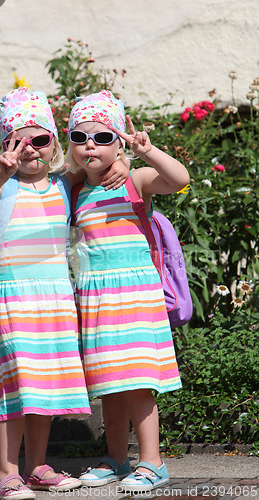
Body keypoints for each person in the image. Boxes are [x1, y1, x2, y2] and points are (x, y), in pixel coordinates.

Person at [0, 87, 129, 500]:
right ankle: (6, 472)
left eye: (39, 140)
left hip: (56, 295)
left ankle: (36, 466)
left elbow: (94, 166)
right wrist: (0, 172)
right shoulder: (3, 186)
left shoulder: (63, 183)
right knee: (15, 382)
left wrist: (123, 161)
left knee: (45, 383)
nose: (29, 150)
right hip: (15, 295)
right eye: (18, 142)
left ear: (53, 143)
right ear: (5, 147)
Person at [66, 90, 190, 493]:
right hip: (95, 297)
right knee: (108, 383)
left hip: (135, 294)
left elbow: (179, 179)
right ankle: (116, 458)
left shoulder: (134, 180)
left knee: (137, 379)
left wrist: (146, 153)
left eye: (103, 138)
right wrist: (97, 164)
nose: (91, 146)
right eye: (81, 137)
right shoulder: (75, 190)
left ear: (119, 142)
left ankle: (152, 461)